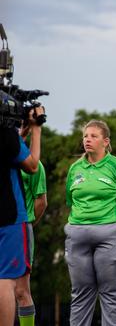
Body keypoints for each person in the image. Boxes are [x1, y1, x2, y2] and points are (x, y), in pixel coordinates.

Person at [64, 120, 116, 326]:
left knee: (112, 294)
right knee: (80, 294)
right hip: (78, 236)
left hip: (112, 234)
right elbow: (71, 202)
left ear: (106, 141)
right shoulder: (75, 169)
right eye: (85, 136)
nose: (87, 139)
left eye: (93, 136)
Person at [0, 106, 43, 326]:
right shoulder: (5, 134)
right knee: (5, 281)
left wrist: (20, 135)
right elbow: (32, 165)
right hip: (8, 217)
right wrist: (36, 129)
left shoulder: (10, 137)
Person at [14, 125, 48, 326]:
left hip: (18, 228)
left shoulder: (34, 166)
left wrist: (27, 224)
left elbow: (41, 201)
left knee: (20, 290)